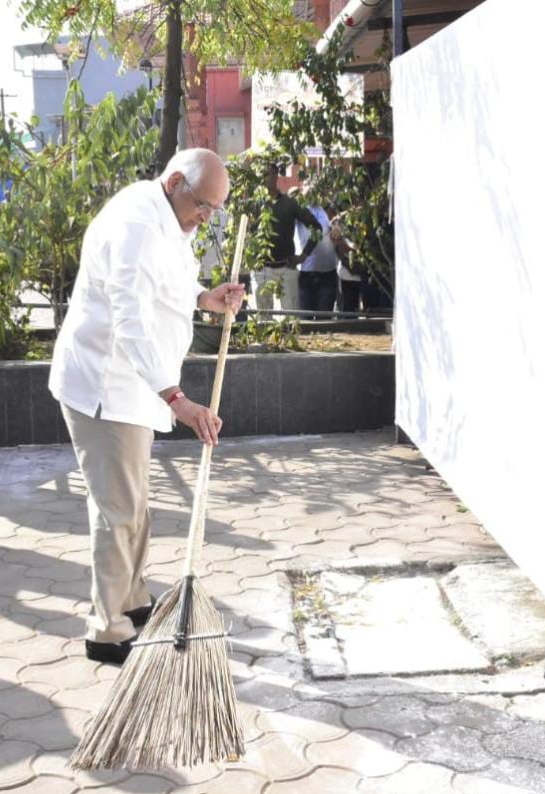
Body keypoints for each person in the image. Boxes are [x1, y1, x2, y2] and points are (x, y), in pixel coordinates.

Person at [48, 148, 245, 665]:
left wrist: (204, 298)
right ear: (176, 181)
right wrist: (176, 399)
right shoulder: (135, 223)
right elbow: (129, 318)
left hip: (133, 389)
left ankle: (132, 600)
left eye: (214, 210)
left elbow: (169, 284)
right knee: (117, 511)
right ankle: (107, 629)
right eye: (203, 205)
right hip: (106, 387)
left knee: (134, 505)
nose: (205, 217)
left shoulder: (168, 217)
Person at [251, 164, 320, 314]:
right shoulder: (254, 205)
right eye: (261, 174)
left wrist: (303, 256)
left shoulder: (290, 203)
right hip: (261, 269)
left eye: (267, 174)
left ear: (276, 176)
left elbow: (316, 227)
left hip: (286, 267)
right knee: (262, 318)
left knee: (292, 317)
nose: (264, 178)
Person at [296, 200, 338, 316]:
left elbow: (340, 221)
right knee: (305, 319)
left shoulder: (329, 208)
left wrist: (338, 226)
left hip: (328, 273)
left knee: (324, 319)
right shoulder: (298, 207)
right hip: (305, 272)